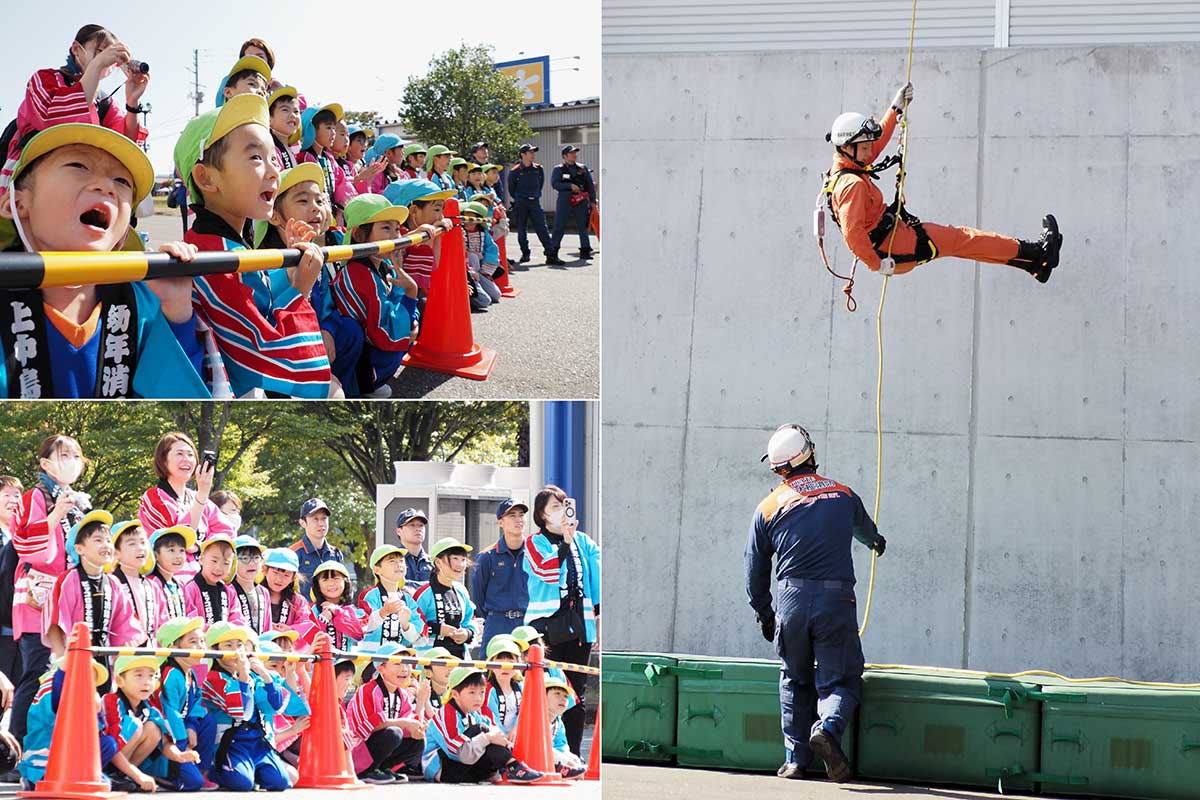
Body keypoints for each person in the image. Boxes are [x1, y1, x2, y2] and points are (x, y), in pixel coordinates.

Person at [0, 124, 216, 398]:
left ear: (125, 229)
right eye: (79, 165)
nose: (107, 187)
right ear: (16, 204)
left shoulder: (145, 300)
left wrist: (177, 310)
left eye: (122, 182)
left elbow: (178, 397)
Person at [744, 423, 886, 782]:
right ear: (810, 454)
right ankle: (828, 729)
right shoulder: (842, 494)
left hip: (791, 600)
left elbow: (754, 568)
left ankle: (795, 760)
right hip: (836, 599)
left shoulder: (768, 507)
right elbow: (867, 531)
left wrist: (764, 613)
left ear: (778, 468)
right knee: (841, 679)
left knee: (793, 678)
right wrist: (876, 542)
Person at [175, 93, 332, 399]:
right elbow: (271, 353)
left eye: (273, 158)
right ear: (206, 178)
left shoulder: (219, 246)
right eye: (256, 157)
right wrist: (300, 288)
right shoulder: (217, 258)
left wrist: (289, 268)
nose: (274, 171)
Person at [824, 82, 1062, 281]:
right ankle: (1038, 253)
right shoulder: (851, 186)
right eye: (864, 148)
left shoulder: (845, 165)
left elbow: (876, 146)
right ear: (847, 147)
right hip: (894, 248)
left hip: (893, 238)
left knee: (961, 245)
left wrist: (895, 109)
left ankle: (1033, 263)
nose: (869, 153)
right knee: (962, 240)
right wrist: (877, 264)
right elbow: (852, 233)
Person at [2, 24, 148, 192]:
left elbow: (125, 145)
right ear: (76, 49)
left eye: (112, 57)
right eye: (101, 51)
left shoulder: (104, 101)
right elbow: (53, 119)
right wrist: (97, 65)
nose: (107, 60)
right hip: (33, 178)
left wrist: (132, 102)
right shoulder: (45, 79)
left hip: (82, 182)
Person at [10, 434, 88, 740]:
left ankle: (49, 742)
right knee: (36, 672)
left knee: (61, 670)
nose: (71, 461)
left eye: (75, 456)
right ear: (45, 463)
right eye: (63, 455)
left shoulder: (75, 500)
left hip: (63, 596)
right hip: (36, 596)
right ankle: (17, 745)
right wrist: (55, 514)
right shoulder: (36, 497)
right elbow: (27, 545)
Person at [524, 485, 600, 755]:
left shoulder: (583, 540)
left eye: (563, 505)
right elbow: (544, 570)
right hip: (545, 630)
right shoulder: (534, 542)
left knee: (575, 695)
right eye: (554, 507)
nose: (560, 511)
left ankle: (574, 755)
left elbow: (596, 576)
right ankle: (544, 751)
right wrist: (565, 543)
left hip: (579, 626)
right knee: (548, 688)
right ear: (542, 516)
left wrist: (598, 616)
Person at [331, 194, 422, 398]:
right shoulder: (357, 272)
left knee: (407, 329)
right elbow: (383, 332)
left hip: (374, 341)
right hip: (363, 350)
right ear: (360, 235)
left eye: (397, 229)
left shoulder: (384, 265)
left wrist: (411, 319)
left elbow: (397, 311)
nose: (394, 236)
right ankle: (358, 387)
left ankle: (371, 383)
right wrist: (410, 294)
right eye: (386, 228)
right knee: (394, 339)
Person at [202, 621, 291, 791]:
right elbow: (239, 712)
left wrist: (265, 676)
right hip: (231, 743)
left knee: (281, 782)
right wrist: (243, 676)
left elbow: (274, 707)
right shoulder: (213, 679)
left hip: (257, 741)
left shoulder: (251, 675)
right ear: (214, 651)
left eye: (240, 645)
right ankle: (215, 770)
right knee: (243, 784)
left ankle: (251, 769)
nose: (236, 650)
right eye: (228, 645)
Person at [423, 666, 542, 784]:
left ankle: (514, 767)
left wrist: (499, 740)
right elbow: (456, 752)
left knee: (487, 732)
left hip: (464, 767)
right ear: (455, 694)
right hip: (442, 769)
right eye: (472, 692)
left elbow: (493, 730)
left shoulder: (472, 714)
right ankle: (513, 767)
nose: (478, 698)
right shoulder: (447, 713)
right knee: (481, 730)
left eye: (482, 692)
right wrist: (487, 738)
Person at [138, 432, 232, 578]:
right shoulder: (154, 497)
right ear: (163, 460)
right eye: (179, 454)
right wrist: (202, 494)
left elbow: (226, 531)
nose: (186, 459)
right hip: (167, 581)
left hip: (200, 580)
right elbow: (178, 539)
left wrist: (202, 548)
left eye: (190, 455)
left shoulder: (197, 497)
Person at [345, 642, 427, 784]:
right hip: (356, 750)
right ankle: (366, 771)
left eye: (408, 664)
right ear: (381, 668)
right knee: (394, 732)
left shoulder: (402, 694)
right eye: (397, 664)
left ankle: (383, 767)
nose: (405, 669)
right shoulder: (368, 690)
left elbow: (410, 725)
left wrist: (420, 706)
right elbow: (368, 727)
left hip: (383, 742)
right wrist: (404, 723)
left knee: (418, 740)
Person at [152, 616, 215, 786]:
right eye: (193, 641)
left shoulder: (190, 673)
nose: (201, 646)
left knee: (208, 721)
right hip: (168, 737)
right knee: (192, 783)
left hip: (182, 729)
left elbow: (196, 704)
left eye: (202, 641)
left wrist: (192, 727)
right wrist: (182, 744)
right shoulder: (170, 674)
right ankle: (167, 774)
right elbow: (168, 712)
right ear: (173, 647)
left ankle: (202, 770)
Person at [381, 179, 453, 321]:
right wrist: (416, 234)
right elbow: (390, 249)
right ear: (414, 210)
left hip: (414, 292)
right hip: (393, 296)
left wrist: (437, 236)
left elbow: (434, 266)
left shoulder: (423, 237)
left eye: (442, 211)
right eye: (437, 210)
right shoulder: (398, 232)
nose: (441, 216)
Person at [470, 498, 529, 651]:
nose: (518, 520)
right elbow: (478, 595)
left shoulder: (535, 554)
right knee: (492, 669)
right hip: (497, 622)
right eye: (512, 515)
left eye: (521, 515)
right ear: (500, 522)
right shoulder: (487, 556)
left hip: (528, 622)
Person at [413, 538, 480, 658]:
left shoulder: (461, 591)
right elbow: (411, 625)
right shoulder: (424, 593)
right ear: (438, 562)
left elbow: (471, 620)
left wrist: (467, 633)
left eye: (463, 560)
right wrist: (437, 629)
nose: (460, 565)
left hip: (460, 659)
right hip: (429, 660)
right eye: (455, 559)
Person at [507, 144, 562, 265]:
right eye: (530, 152)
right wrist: (520, 197)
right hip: (521, 202)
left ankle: (550, 254)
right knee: (522, 229)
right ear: (523, 155)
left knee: (542, 227)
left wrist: (534, 194)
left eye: (533, 152)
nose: (533, 155)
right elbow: (512, 189)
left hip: (535, 201)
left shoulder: (538, 169)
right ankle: (525, 253)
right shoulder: (515, 171)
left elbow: (540, 184)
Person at [359, 544, 420, 647]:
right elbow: (362, 627)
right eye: (392, 561)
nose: (399, 565)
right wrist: (383, 612)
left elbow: (418, 636)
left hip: (399, 659)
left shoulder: (408, 599)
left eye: (401, 561)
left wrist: (406, 625)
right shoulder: (369, 595)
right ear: (377, 569)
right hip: (372, 659)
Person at [110, 520, 160, 643]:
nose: (140, 548)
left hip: (152, 655)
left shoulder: (152, 586)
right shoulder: (111, 584)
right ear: (116, 553)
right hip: (122, 655)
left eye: (143, 542)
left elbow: (162, 623)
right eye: (132, 544)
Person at [183, 534, 245, 627]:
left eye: (226, 563)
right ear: (201, 558)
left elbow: (237, 619)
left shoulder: (229, 592)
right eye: (214, 561)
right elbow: (190, 619)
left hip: (225, 639)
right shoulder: (191, 589)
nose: (219, 568)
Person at [306, 561, 365, 651]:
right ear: (317, 586)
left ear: (346, 582)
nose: (331, 583)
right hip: (319, 663)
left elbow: (358, 635)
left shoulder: (353, 611)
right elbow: (308, 639)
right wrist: (323, 619)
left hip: (345, 663)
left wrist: (337, 611)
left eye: (336, 578)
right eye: (325, 579)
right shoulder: (310, 611)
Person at [550, 145, 596, 260]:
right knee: (559, 226)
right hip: (564, 201)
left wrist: (593, 201)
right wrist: (569, 185)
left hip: (580, 201)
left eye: (575, 152)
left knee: (583, 226)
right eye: (571, 153)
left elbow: (590, 185)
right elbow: (555, 184)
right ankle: (553, 252)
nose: (574, 155)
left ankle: (585, 251)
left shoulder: (582, 168)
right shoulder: (558, 169)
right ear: (565, 156)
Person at [289, 498, 345, 591]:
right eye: (315, 519)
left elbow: (344, 587)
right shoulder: (293, 554)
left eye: (324, 518)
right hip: (302, 605)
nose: (321, 524)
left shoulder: (336, 554)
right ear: (303, 523)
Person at [0, 476, 24, 692]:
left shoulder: (24, 538)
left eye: (17, 495)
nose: (13, 500)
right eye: (6, 495)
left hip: (23, 628)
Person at [144, 525, 195, 620]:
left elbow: (191, 612)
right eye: (171, 550)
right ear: (156, 555)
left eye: (181, 550)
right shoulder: (152, 584)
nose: (178, 556)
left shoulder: (180, 584)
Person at [545, 676, 586, 780]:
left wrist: (572, 759)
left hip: (551, 755)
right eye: (557, 694)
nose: (563, 699)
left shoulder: (558, 722)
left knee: (575, 760)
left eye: (565, 696)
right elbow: (539, 747)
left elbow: (561, 745)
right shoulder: (535, 718)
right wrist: (565, 760)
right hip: (532, 757)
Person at [263, 548, 311, 633]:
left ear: (293, 577)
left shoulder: (298, 602)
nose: (279, 579)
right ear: (265, 570)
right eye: (275, 573)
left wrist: (290, 630)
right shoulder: (254, 594)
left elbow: (305, 625)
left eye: (286, 575)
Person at [232, 535, 272, 635]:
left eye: (256, 558)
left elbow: (267, 627)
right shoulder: (228, 590)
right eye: (245, 558)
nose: (251, 563)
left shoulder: (264, 592)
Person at [394, 508, 431, 587]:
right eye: (412, 525)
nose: (418, 529)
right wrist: (428, 586)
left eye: (421, 525)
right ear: (399, 531)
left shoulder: (434, 562)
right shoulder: (392, 560)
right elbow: (394, 585)